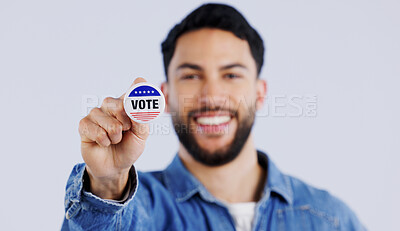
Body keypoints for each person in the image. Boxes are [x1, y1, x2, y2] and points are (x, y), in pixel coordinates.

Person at [62, 3, 366, 231]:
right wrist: (108, 183)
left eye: (231, 74)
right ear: (164, 96)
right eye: (192, 76)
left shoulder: (331, 220)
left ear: (260, 93)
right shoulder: (135, 213)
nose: (211, 96)